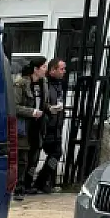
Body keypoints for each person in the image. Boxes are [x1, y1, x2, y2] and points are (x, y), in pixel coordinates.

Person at [14, 57, 48, 200]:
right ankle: (18, 187)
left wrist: (49, 109)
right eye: (44, 67)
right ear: (36, 69)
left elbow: (43, 103)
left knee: (34, 156)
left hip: (38, 125)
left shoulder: (43, 83)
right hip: (24, 126)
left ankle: (28, 184)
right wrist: (31, 112)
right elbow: (14, 106)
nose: (45, 70)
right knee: (22, 158)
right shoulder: (21, 83)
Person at [32, 58, 67, 193]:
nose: (64, 71)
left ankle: (44, 181)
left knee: (56, 153)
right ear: (53, 70)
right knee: (39, 155)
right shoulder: (45, 84)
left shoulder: (59, 84)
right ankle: (37, 182)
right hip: (46, 125)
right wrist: (50, 109)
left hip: (56, 125)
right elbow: (42, 103)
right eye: (61, 69)